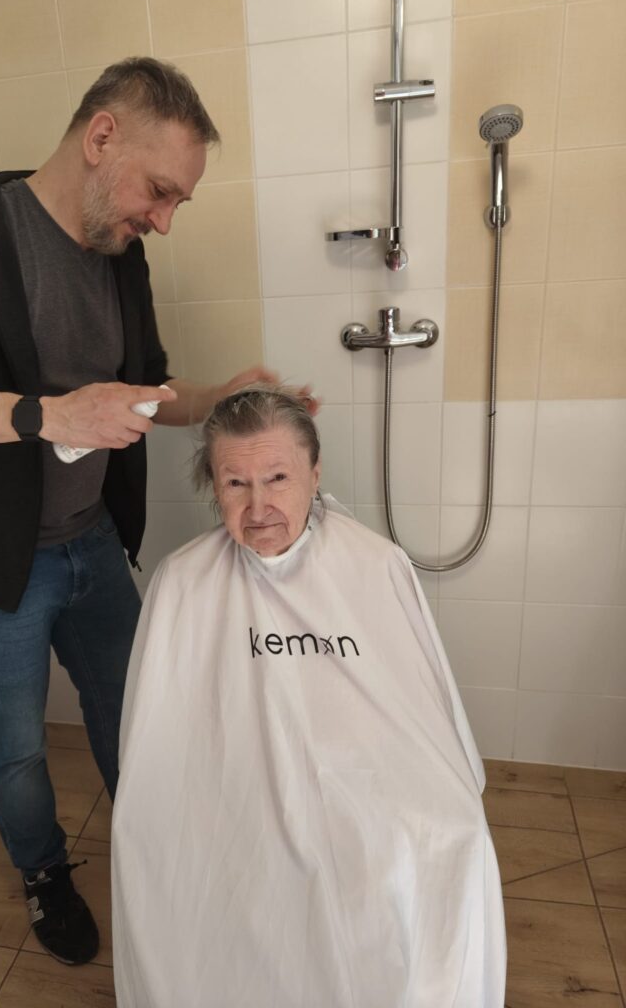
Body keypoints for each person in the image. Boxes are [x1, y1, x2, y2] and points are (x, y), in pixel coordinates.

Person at [0, 57, 282, 967]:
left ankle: (156, 850)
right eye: (159, 191)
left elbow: (145, 388)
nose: (163, 220)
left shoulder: (120, 255)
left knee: (133, 710)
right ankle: (45, 872)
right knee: (14, 742)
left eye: (177, 204)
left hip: (92, 543)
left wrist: (216, 397)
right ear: (100, 138)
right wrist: (45, 415)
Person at [111, 386, 507, 1008]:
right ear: (213, 485)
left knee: (448, 837)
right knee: (170, 850)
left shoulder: (374, 564)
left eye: (277, 478)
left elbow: (422, 708)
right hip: (226, 784)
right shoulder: (183, 581)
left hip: (366, 776)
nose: (259, 507)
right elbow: (156, 738)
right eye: (235, 483)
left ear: (314, 474)